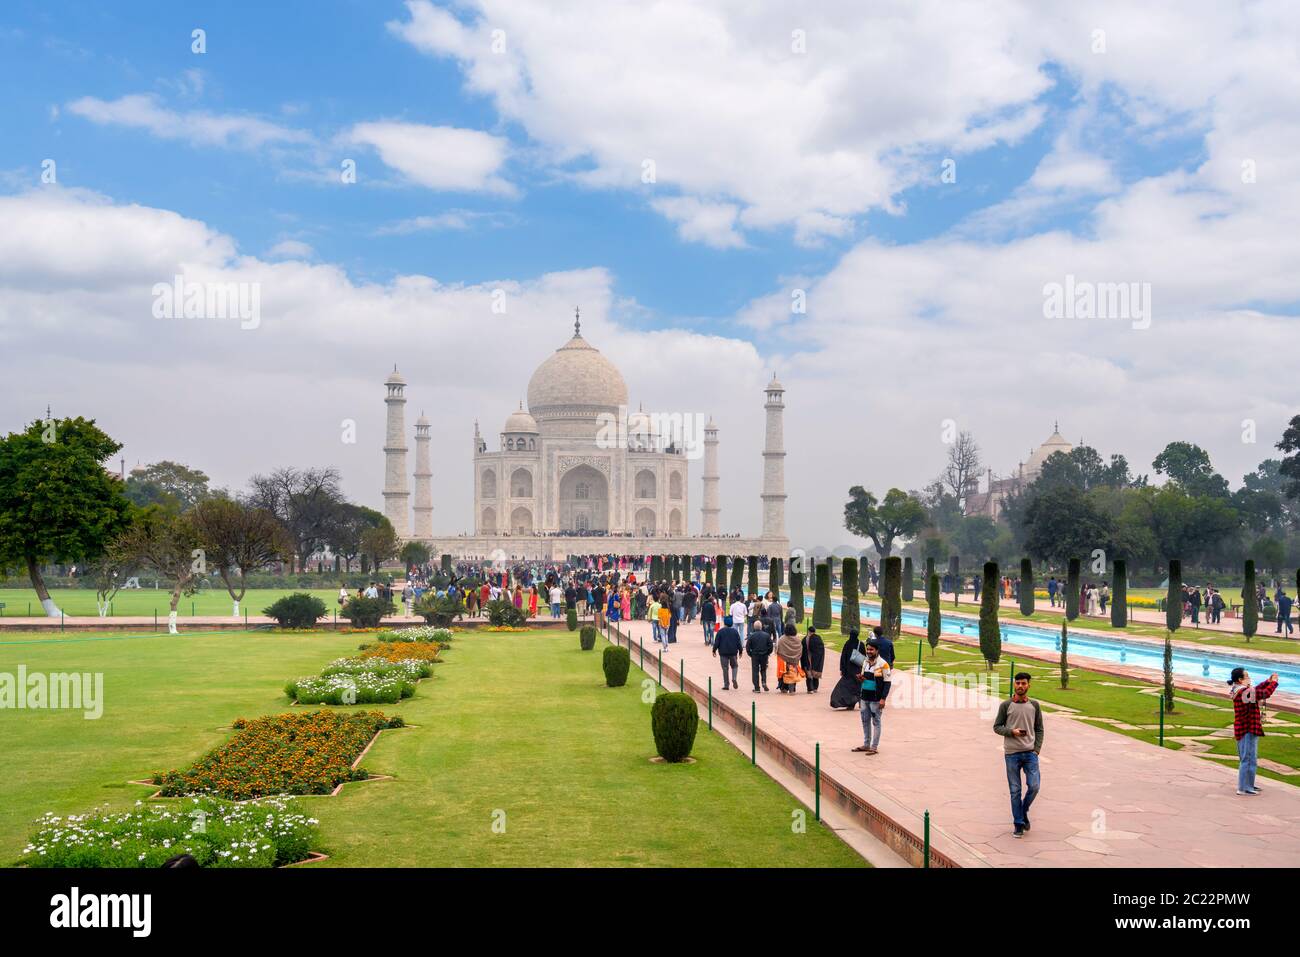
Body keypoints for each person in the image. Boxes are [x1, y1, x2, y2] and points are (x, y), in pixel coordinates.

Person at [993, 671, 1044, 838]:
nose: (1020, 686)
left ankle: (1023, 810)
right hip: (1012, 754)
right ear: (1014, 685)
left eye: (1023, 683)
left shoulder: (1034, 705)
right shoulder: (1006, 705)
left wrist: (1036, 749)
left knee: (1034, 786)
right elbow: (997, 727)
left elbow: (1039, 729)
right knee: (1015, 790)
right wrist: (1012, 732)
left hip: (1030, 754)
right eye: (1018, 683)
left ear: (1029, 685)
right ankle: (1018, 824)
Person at [1229, 667, 1278, 795]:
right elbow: (1264, 694)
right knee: (1248, 759)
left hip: (1247, 728)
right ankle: (1244, 788)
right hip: (1247, 729)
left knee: (1250, 758)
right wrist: (1274, 683)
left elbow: (1257, 689)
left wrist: (1268, 681)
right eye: (1247, 676)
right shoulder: (1243, 692)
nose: (1249, 678)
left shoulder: (1240, 690)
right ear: (1240, 679)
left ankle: (1249, 785)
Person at [853, 639, 891, 754]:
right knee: (865, 721)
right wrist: (861, 678)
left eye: (871, 649)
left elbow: (887, 682)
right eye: (868, 649)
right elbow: (866, 678)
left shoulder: (883, 664)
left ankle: (874, 747)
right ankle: (866, 744)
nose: (869, 651)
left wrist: (883, 699)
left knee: (876, 722)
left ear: (877, 650)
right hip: (864, 697)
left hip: (875, 699)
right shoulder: (865, 662)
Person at [831, 627, 864, 710]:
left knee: (846, 688)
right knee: (856, 687)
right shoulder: (861, 644)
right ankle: (857, 702)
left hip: (848, 670)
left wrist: (842, 669)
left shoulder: (847, 643)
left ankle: (848, 703)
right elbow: (864, 657)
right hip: (857, 670)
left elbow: (843, 657)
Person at [713, 615, 743, 691]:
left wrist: (714, 650)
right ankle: (734, 678)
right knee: (735, 666)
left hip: (723, 653)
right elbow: (739, 642)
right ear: (732, 623)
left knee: (725, 668)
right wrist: (740, 651)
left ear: (725, 623)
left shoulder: (720, 631)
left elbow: (716, 642)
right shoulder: (735, 632)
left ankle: (726, 685)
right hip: (733, 652)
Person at [745, 617, 773, 692]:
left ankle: (757, 687)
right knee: (763, 670)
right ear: (761, 627)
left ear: (754, 627)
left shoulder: (751, 636)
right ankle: (763, 681)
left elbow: (747, 647)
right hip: (764, 655)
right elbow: (770, 646)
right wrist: (768, 653)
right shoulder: (766, 635)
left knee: (755, 671)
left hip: (755, 655)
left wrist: (751, 654)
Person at [775, 624, 805, 693]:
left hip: (784, 661)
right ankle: (793, 688)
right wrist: (795, 657)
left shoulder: (782, 639)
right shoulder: (797, 640)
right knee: (793, 674)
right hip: (794, 661)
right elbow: (800, 650)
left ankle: (784, 688)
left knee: (784, 673)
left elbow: (778, 650)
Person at [802, 625, 825, 694]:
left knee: (809, 675)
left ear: (808, 631)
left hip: (808, 659)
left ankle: (810, 689)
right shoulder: (819, 638)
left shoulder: (805, 639)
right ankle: (815, 688)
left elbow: (803, 650)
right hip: (817, 660)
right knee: (815, 675)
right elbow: (822, 649)